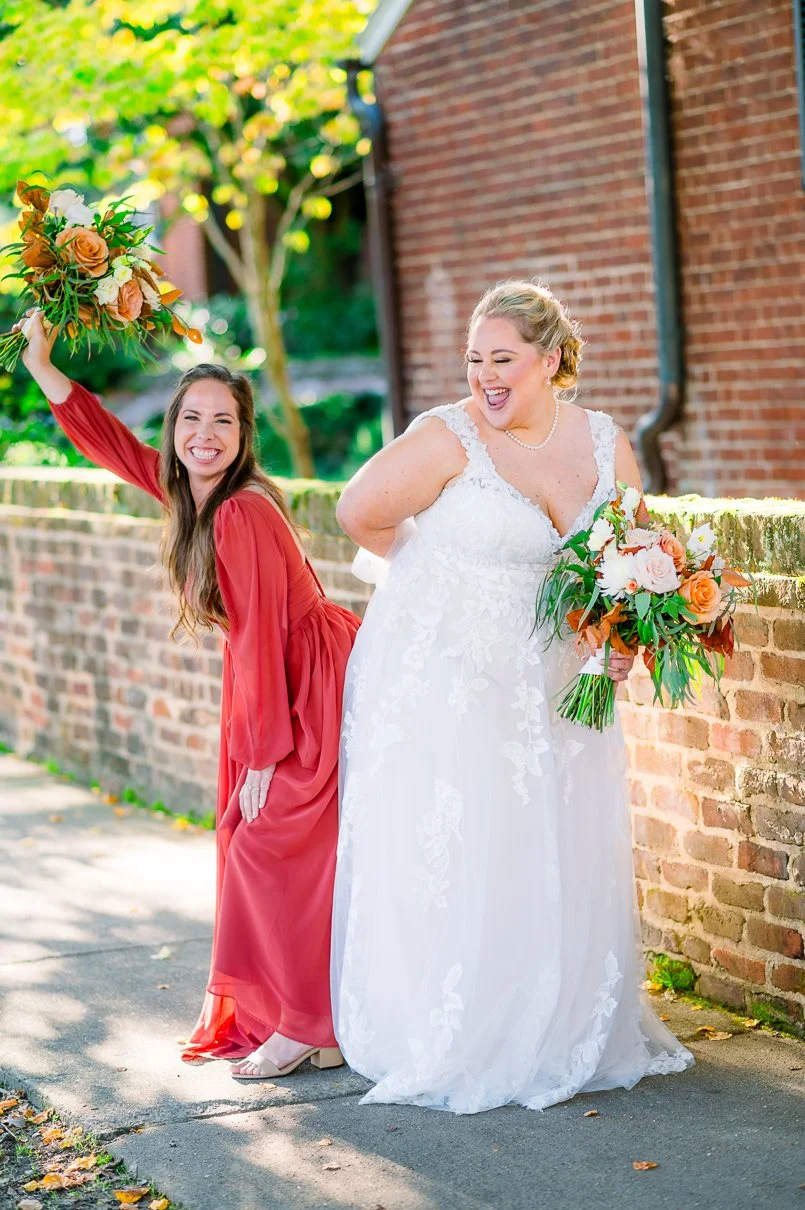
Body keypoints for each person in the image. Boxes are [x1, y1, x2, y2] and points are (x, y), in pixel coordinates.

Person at [332, 280, 693, 1114]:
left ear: (551, 360)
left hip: (565, 680)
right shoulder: (446, 437)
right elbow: (360, 514)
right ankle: (458, 1025)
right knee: (466, 838)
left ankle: (560, 1019)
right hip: (451, 677)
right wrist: (441, 585)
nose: (484, 376)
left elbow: (636, 558)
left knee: (557, 838)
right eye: (474, 359)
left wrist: (617, 652)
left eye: (502, 359)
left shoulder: (605, 443)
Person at [18, 312, 360, 1081]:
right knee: (265, 848)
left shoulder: (239, 509)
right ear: (175, 429)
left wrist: (266, 755)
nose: (206, 434)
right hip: (279, 680)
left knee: (269, 848)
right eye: (192, 419)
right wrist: (43, 364)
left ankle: (302, 1023)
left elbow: (261, 639)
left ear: (244, 437)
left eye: (224, 422)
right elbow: (113, 446)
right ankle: (312, 1022)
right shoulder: (192, 493)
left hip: (305, 687)